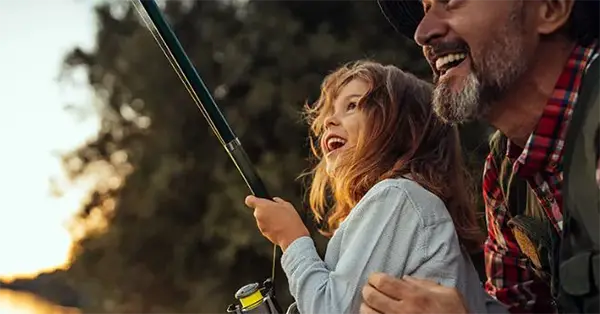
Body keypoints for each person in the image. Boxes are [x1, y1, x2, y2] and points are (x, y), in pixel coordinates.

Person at [362, 0, 600, 313]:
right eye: (426, 8)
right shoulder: (504, 175)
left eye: (450, 2)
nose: (423, 32)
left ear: (550, 9)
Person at [243, 60, 501, 314]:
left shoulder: (398, 196)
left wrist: (291, 239)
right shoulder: (402, 203)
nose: (329, 121)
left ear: (404, 129)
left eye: (352, 105)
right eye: (329, 112)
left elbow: (333, 310)